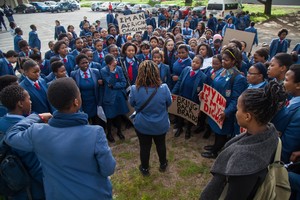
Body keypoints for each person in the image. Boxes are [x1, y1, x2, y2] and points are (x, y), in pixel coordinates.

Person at [5, 77, 116, 199]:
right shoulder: (95, 133)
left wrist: (37, 117)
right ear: (76, 102)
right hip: (93, 194)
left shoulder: (37, 132)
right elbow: (108, 169)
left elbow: (11, 136)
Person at [200, 80, 286, 199]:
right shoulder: (272, 135)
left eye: (238, 109)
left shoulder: (244, 160)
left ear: (247, 116)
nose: (236, 113)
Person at [201, 46, 248, 159]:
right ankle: (214, 146)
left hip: (225, 112)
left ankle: (215, 152)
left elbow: (236, 100)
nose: (223, 62)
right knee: (216, 130)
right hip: (216, 108)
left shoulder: (238, 78)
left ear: (234, 62)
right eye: (222, 59)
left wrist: (226, 112)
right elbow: (213, 86)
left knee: (221, 132)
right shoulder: (221, 71)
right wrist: (204, 94)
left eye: (226, 60)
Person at [0, 84, 45, 200]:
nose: (30, 102)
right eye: (28, 99)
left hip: (10, 184)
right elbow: (36, 168)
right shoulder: (29, 130)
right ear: (20, 103)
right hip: (31, 190)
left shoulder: (1, 122)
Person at [129, 60, 172, 176]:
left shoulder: (134, 89)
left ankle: (144, 168)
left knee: (144, 147)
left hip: (143, 125)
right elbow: (169, 103)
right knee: (161, 144)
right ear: (156, 72)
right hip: (160, 124)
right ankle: (163, 164)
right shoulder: (164, 88)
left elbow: (132, 103)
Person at [172, 55, 208, 139]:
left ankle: (188, 129)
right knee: (180, 113)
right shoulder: (186, 70)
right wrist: (173, 93)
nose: (194, 64)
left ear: (201, 65)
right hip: (182, 96)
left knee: (190, 117)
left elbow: (202, 92)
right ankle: (180, 128)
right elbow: (179, 82)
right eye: (193, 61)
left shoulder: (203, 77)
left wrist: (199, 105)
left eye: (197, 63)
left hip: (193, 99)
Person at [272, 64, 300, 164]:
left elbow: (287, 146)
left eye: (287, 80)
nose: (283, 83)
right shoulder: (291, 99)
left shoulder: (296, 110)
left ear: (298, 85)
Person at [70, 54, 104, 127]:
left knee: (97, 121)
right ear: (78, 65)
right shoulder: (74, 74)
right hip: (83, 103)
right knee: (86, 122)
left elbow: (100, 88)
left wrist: (100, 102)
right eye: (82, 63)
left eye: (86, 62)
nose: (85, 65)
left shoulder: (96, 72)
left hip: (95, 102)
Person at [101, 54, 128, 143]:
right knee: (110, 116)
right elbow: (109, 82)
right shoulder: (104, 70)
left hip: (119, 95)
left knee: (119, 114)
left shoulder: (119, 69)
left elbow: (124, 82)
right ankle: (109, 133)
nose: (116, 62)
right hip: (110, 97)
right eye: (114, 61)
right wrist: (112, 73)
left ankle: (119, 131)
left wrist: (114, 86)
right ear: (109, 63)